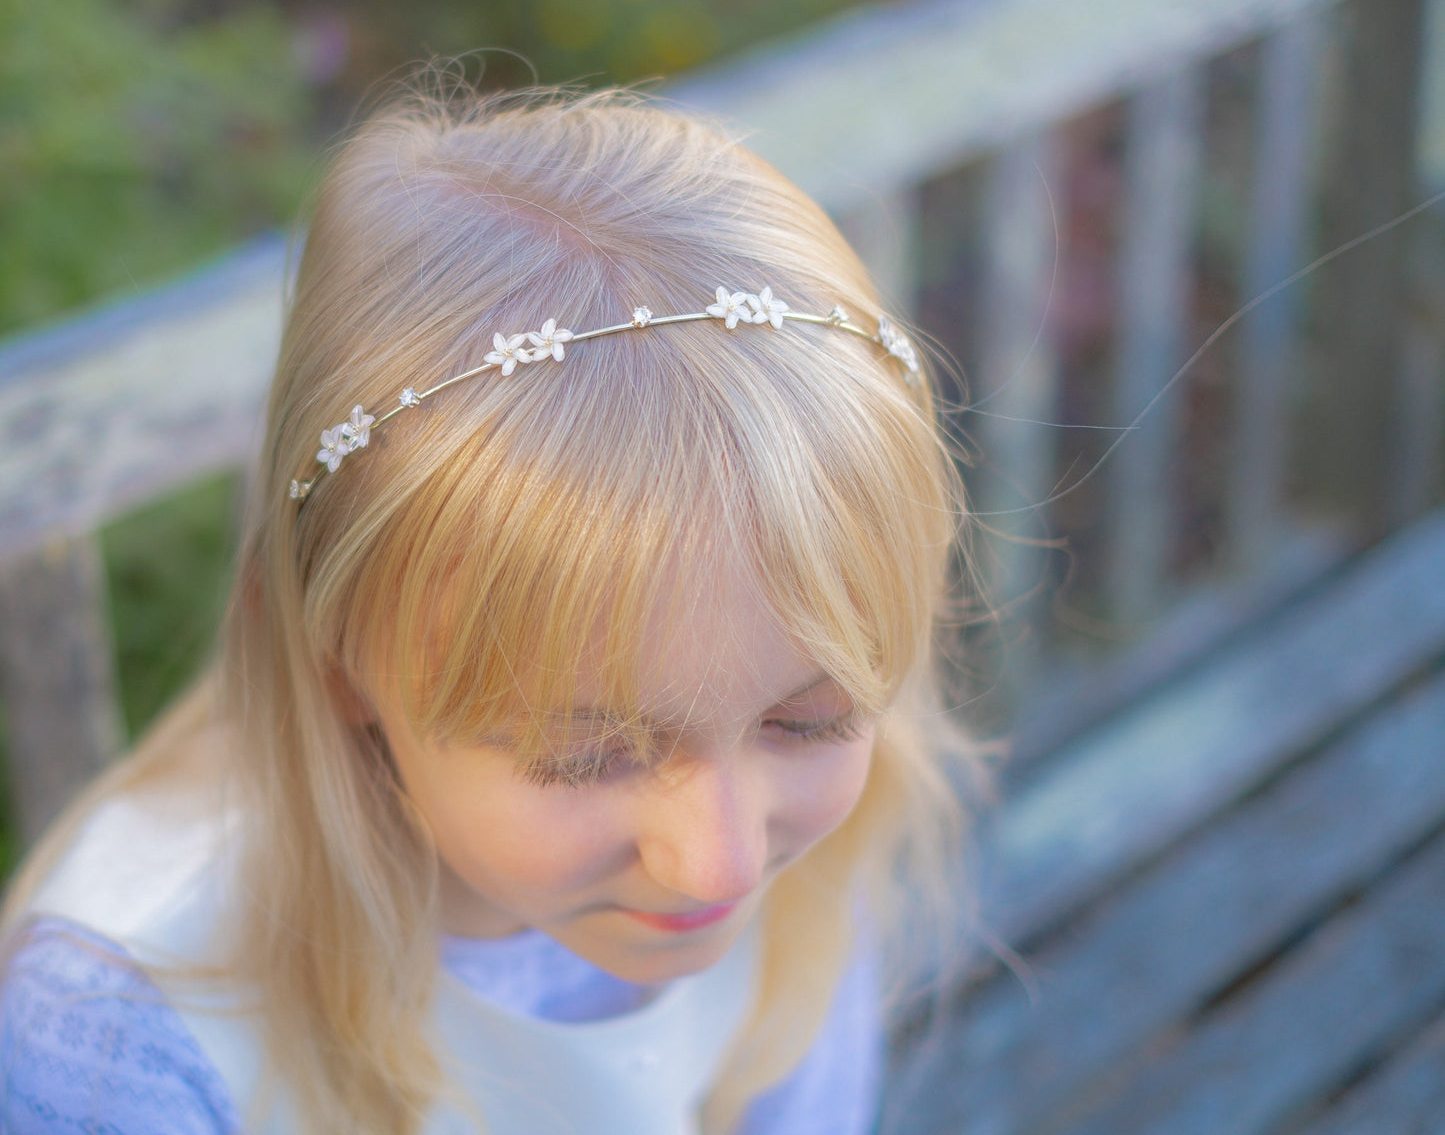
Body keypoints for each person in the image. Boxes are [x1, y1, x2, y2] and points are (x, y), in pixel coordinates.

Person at [0, 83, 985, 1134]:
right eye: (587, 756)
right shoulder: (131, 1027)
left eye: (810, 719)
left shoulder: (812, 841)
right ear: (336, 660)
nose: (720, 863)